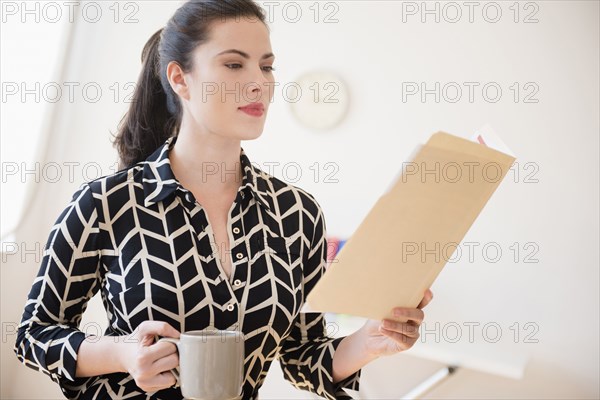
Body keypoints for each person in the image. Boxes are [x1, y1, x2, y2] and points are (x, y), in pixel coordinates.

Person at [13, 0, 434, 399]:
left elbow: (304, 357)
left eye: (267, 67)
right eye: (234, 64)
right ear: (180, 79)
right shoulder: (106, 202)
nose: (259, 83)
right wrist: (122, 353)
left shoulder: (297, 214)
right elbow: (34, 335)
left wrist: (371, 340)